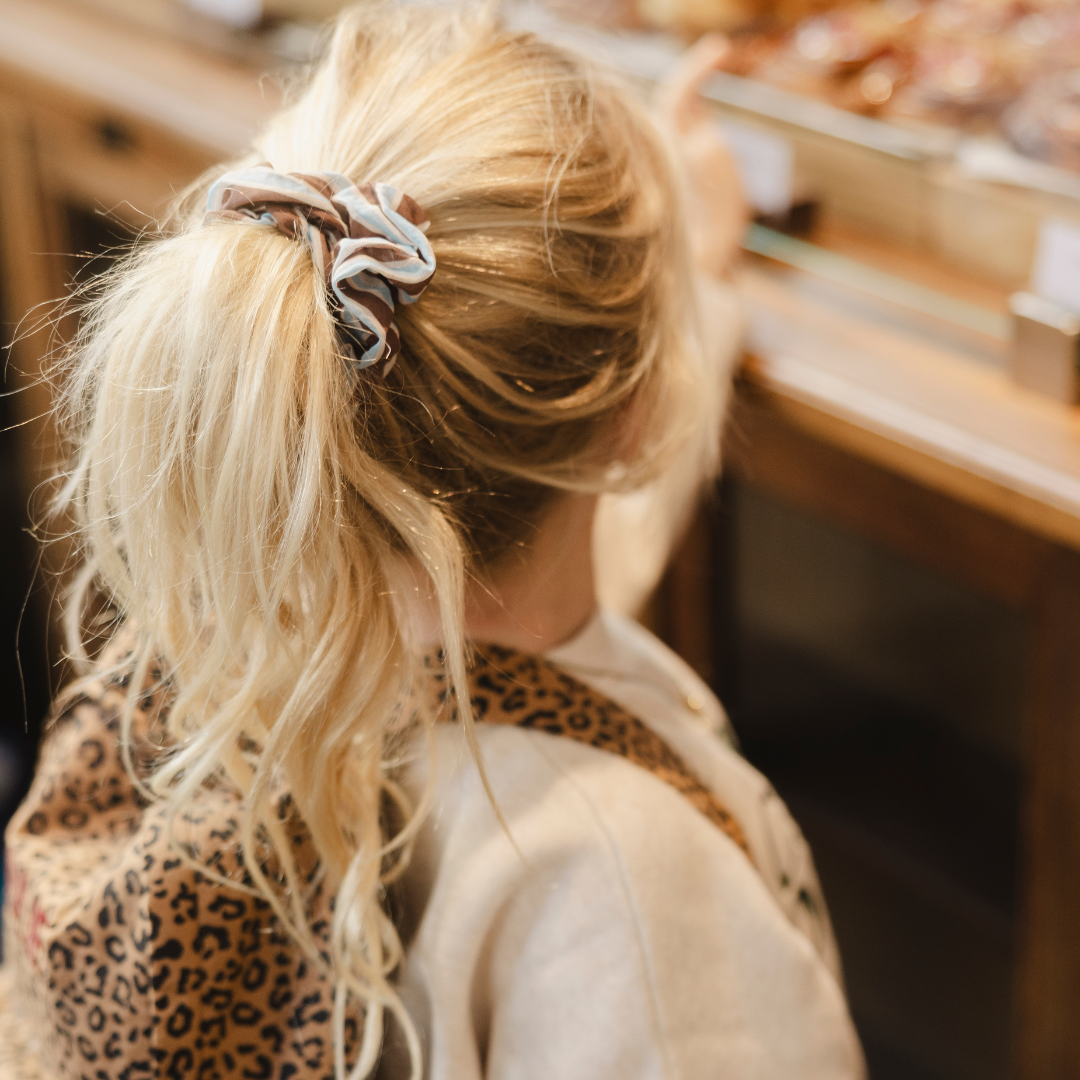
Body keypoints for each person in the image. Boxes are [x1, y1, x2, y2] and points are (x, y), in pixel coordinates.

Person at [1, 4, 866, 1079]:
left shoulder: (252, 635)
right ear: (635, 417)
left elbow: (516, 572)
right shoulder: (635, 895)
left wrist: (695, 283)